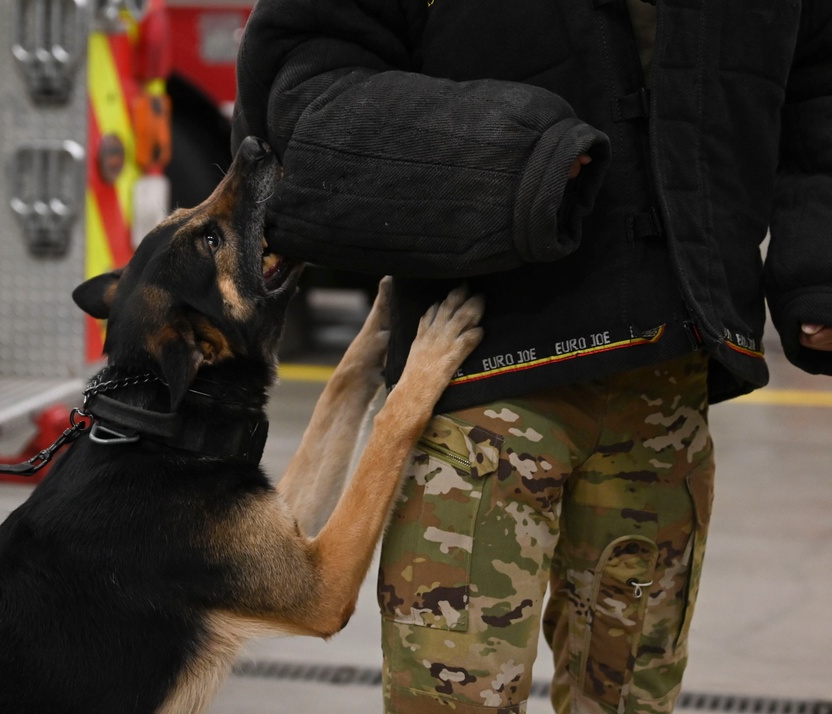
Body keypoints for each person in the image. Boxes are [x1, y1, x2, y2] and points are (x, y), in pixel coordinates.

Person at [231, 1, 832, 711]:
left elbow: (818, 72)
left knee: (631, 699)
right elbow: (297, 83)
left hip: (666, 378)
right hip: (482, 374)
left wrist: (817, 268)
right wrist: (510, 161)